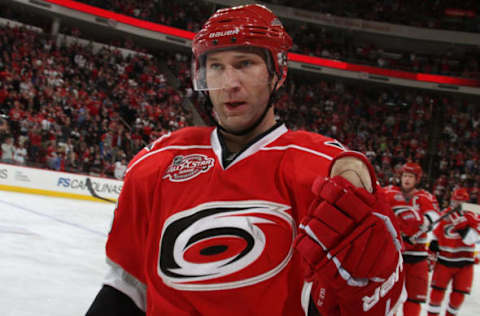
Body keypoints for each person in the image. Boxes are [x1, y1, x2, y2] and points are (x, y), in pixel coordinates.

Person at [86, 4, 405, 316]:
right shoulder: (157, 162)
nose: (229, 83)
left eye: (245, 63)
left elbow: (362, 296)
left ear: (277, 73)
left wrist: (369, 290)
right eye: (216, 66)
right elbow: (127, 287)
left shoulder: (324, 170)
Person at [384, 162, 440, 316]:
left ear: (417, 179)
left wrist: (424, 223)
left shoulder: (425, 197)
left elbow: (434, 217)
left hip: (417, 257)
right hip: (394, 257)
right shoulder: (388, 193)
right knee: (390, 299)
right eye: (404, 176)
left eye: (410, 176)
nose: (407, 179)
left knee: (414, 300)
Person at [427, 188, 480, 316]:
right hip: (444, 261)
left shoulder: (473, 216)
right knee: (436, 294)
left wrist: (461, 225)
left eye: (459, 202)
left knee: (458, 296)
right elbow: (434, 238)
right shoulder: (444, 215)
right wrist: (432, 256)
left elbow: (470, 239)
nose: (455, 204)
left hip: (464, 263)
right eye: (454, 201)